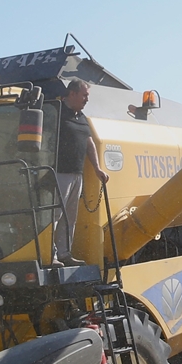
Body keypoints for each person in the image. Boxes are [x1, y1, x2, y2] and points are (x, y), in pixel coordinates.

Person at [53, 79, 109, 266]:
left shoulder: (82, 117)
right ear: (72, 94)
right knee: (55, 215)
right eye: (84, 95)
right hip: (58, 172)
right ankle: (49, 255)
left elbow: (89, 142)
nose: (86, 99)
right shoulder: (56, 111)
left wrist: (97, 168)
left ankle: (64, 254)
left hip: (77, 173)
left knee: (70, 216)